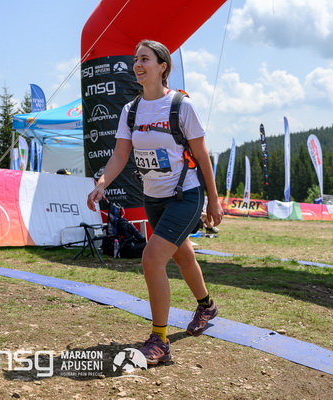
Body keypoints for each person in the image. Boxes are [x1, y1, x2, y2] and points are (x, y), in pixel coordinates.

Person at [86, 39, 223, 365]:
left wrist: (214, 201)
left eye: (145, 59)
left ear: (163, 66)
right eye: (135, 59)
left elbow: (203, 156)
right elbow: (120, 155)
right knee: (183, 257)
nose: (137, 64)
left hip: (186, 194)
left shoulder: (181, 106)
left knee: (151, 259)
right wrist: (102, 184)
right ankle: (207, 306)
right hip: (154, 197)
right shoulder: (130, 110)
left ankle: (159, 342)